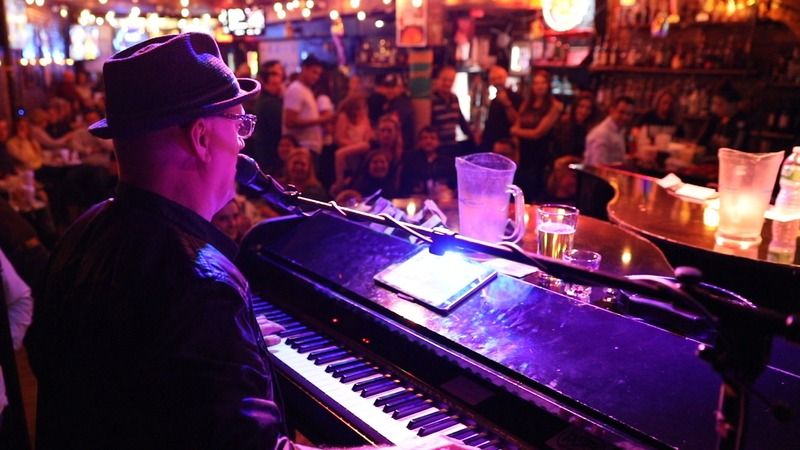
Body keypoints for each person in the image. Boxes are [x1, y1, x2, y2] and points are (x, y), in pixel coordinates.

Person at [511, 70, 563, 201]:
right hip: (524, 153)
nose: (539, 86)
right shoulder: (526, 104)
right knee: (521, 192)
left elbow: (538, 133)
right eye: (536, 83)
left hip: (541, 154)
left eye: (543, 83)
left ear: (548, 85)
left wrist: (517, 132)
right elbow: (517, 126)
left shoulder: (555, 106)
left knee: (536, 192)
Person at [282, 55, 333, 159]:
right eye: (314, 72)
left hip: (309, 147)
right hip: (302, 147)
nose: (316, 77)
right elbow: (290, 122)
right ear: (304, 69)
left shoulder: (306, 89)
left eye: (318, 74)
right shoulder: (296, 89)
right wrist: (322, 119)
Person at [431, 66, 474, 157]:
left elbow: (460, 120)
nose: (447, 83)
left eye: (450, 80)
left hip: (452, 146)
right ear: (438, 80)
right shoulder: (431, 100)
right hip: (437, 149)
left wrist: (473, 136)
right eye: (444, 80)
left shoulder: (454, 98)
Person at [398, 126, 455, 196]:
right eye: (425, 138)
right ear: (419, 142)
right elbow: (404, 187)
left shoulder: (447, 163)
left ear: (438, 142)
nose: (428, 141)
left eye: (432, 138)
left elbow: (454, 186)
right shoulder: (410, 162)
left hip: (442, 201)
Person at [249, 63, 285, 174]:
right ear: (266, 84)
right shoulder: (270, 103)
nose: (278, 87)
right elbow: (279, 126)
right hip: (270, 151)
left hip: (263, 149)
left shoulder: (264, 101)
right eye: (274, 84)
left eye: (279, 83)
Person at [697, 81, 749, 153]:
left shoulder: (741, 123)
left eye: (720, 104)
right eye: (714, 104)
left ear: (733, 104)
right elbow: (700, 143)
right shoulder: (714, 119)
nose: (715, 108)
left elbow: (736, 152)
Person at [583, 96, 636, 167]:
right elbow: (598, 167)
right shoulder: (602, 134)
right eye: (621, 112)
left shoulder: (619, 130)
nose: (625, 117)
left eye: (629, 114)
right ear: (611, 110)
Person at [333, 95, 372, 187]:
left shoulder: (365, 118)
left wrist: (359, 146)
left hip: (362, 148)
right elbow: (339, 138)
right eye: (359, 107)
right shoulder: (344, 117)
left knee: (366, 145)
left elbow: (367, 138)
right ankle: (340, 181)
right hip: (349, 148)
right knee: (340, 154)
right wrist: (355, 145)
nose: (362, 109)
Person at [480, 66, 522, 152]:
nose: (497, 81)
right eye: (493, 79)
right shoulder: (494, 99)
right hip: (492, 143)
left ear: (506, 78)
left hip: (506, 144)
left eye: (499, 78)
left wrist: (507, 104)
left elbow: (517, 121)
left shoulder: (515, 97)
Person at [554, 92, 598, 158]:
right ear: (575, 107)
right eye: (581, 107)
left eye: (588, 108)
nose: (584, 111)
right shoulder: (563, 124)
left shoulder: (592, 129)